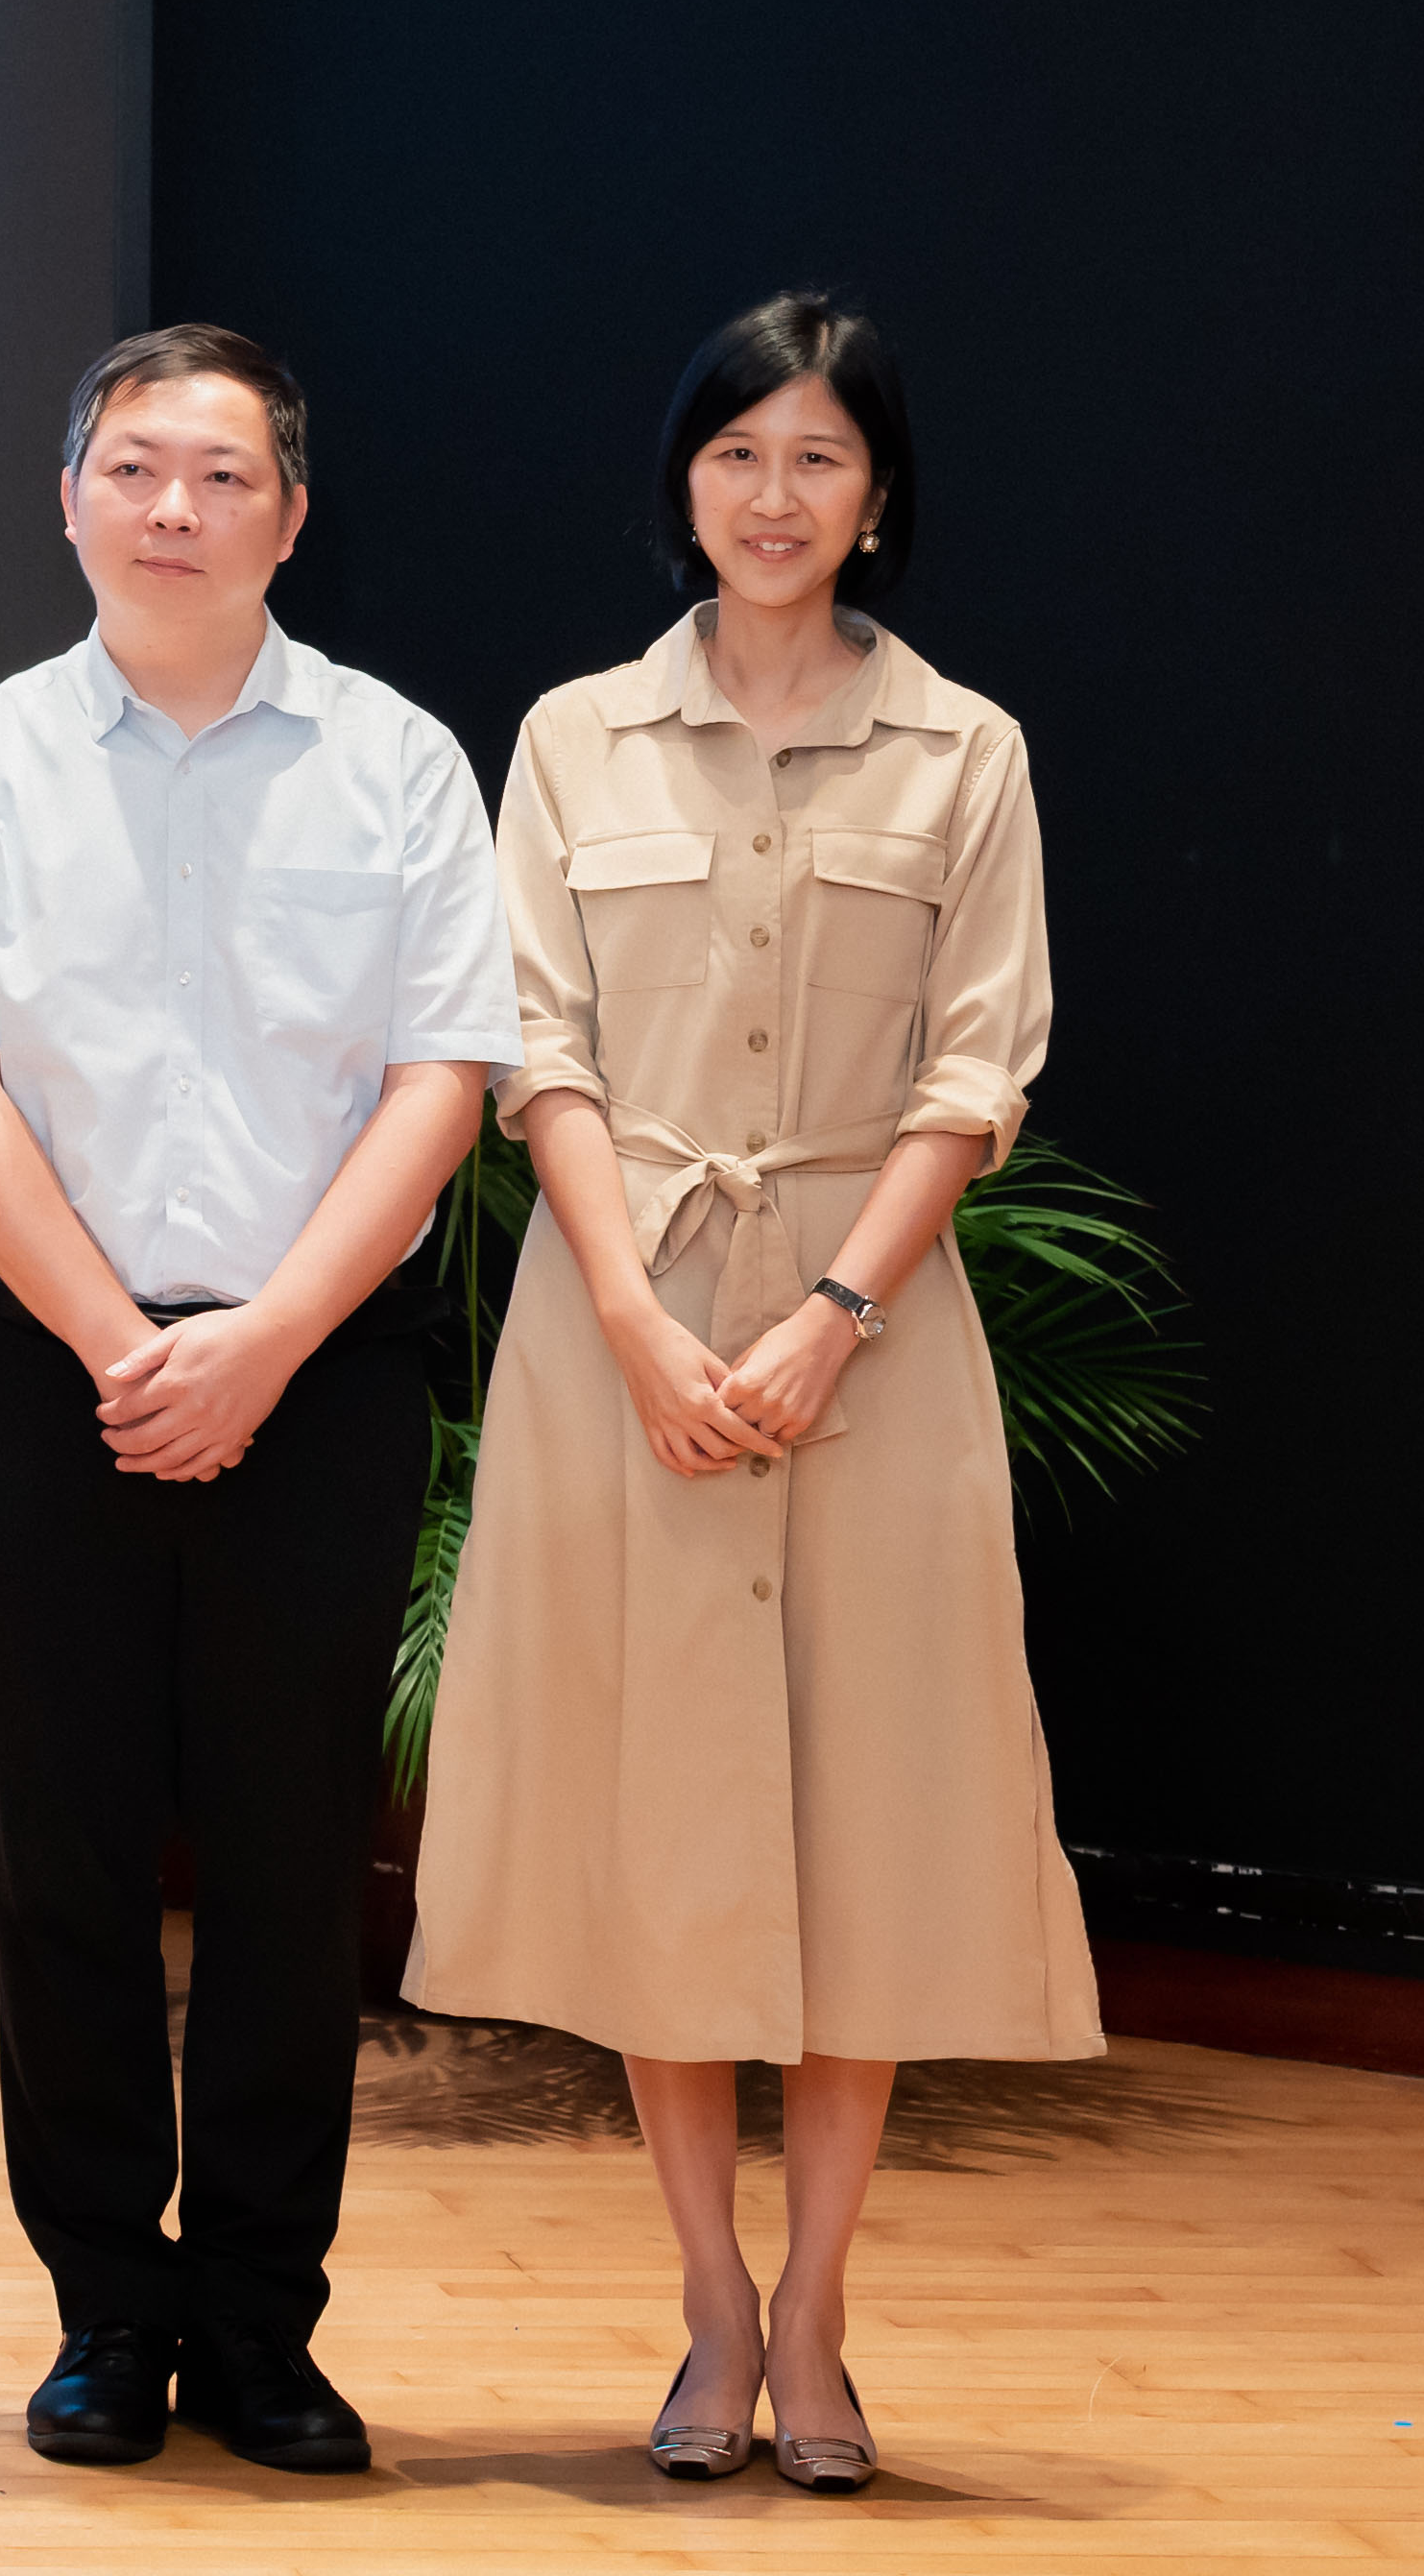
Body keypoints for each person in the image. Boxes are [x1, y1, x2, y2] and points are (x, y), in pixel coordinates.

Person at [404, 296, 1089, 2498]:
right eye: (737, 453)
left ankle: (819, 2312)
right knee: (669, 1827)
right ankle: (710, 2299)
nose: (773, 495)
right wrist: (633, 1314)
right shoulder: (575, 736)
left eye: (817, 455)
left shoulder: (962, 748)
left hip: (874, 1341)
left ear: (876, 493)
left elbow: (977, 1068)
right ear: (683, 480)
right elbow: (537, 1045)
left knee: (864, 1818)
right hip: (623, 1330)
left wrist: (833, 1310)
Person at [0, 326, 508, 2479]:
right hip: (41, 1373)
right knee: (59, 1861)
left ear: (292, 517)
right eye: (134, 465)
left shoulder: (399, 761)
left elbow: (444, 1073)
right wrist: (115, 1342)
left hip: (316, 1377)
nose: (174, 507)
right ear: (67, 495)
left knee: (288, 1867)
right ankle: (103, 2310)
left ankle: (258, 2316)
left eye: (222, 475)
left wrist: (264, 1342)